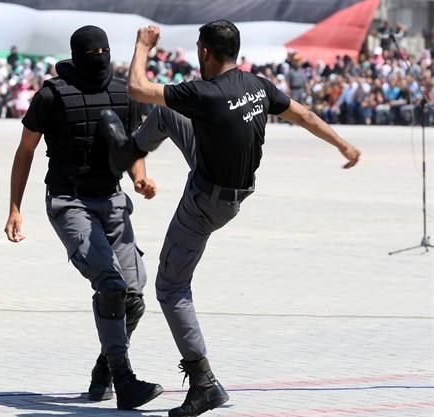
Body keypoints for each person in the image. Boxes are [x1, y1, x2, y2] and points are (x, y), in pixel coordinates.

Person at [110, 20, 361, 417]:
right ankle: (130, 156)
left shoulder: (203, 93)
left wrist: (142, 45)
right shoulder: (258, 86)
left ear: (205, 52)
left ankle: (203, 382)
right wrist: (344, 145)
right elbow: (305, 115)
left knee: (171, 287)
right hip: (228, 183)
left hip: (208, 201)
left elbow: (138, 88)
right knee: (165, 114)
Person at [3, 25, 163, 410]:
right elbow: (25, 151)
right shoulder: (52, 95)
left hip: (112, 198)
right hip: (69, 200)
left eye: (105, 52)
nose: (100, 59)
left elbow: (129, 147)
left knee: (133, 298)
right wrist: (15, 208)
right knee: (110, 285)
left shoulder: (124, 93)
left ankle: (105, 370)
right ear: (77, 57)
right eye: (93, 54)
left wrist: (139, 177)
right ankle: (125, 380)